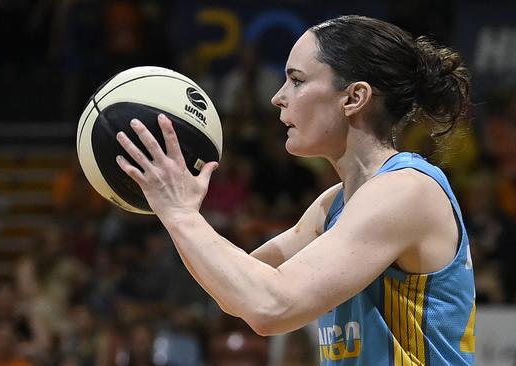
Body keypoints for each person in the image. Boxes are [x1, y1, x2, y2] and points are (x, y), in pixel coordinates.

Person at [115, 15, 475, 365]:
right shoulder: (331, 204)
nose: (277, 97)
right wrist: (178, 210)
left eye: (297, 81)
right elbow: (238, 291)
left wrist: (180, 214)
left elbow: (272, 306)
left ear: (354, 97)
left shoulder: (407, 191)